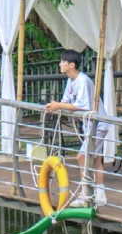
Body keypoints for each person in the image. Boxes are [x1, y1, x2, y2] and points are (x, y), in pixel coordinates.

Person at [44, 50, 109, 206]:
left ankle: (86, 194)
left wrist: (59, 105)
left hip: (97, 124)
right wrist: (56, 106)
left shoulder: (83, 80)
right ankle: (100, 195)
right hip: (89, 125)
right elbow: (66, 101)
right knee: (96, 159)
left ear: (71, 65)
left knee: (82, 158)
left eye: (62, 61)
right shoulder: (71, 81)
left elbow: (82, 105)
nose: (60, 64)